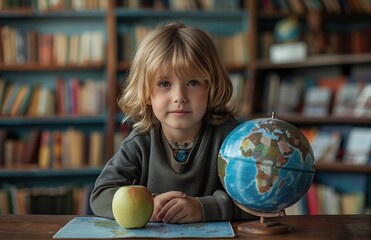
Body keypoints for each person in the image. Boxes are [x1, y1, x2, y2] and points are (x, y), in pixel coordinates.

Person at [90, 22, 254, 223]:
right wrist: (148, 205)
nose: (179, 96)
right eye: (164, 84)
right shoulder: (140, 143)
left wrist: (204, 208)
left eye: (193, 83)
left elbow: (255, 203)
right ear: (147, 93)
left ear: (210, 87)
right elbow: (100, 196)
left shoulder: (232, 140)